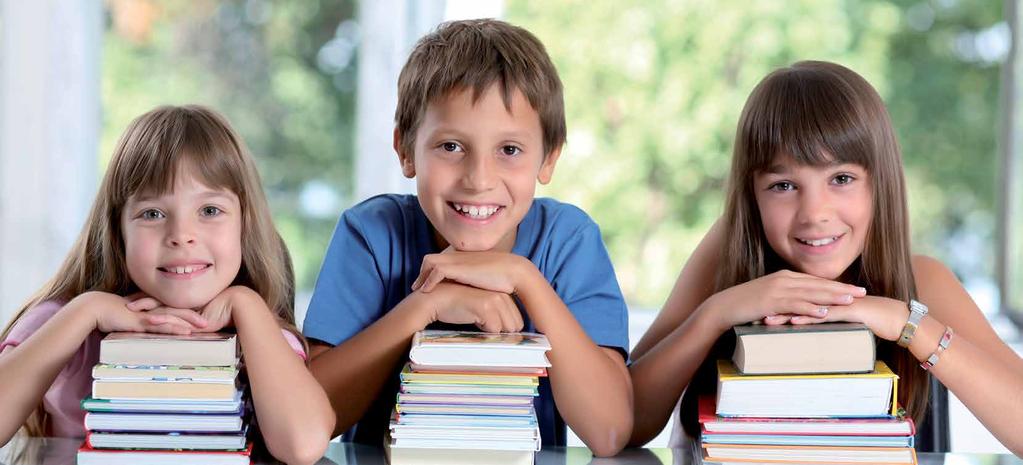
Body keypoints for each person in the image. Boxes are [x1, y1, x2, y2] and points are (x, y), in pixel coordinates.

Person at [627, 61, 1023, 456]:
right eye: (783, 185)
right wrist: (716, 313)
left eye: (841, 179)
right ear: (752, 197)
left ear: (879, 184)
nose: (814, 213)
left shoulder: (923, 280)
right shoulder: (727, 253)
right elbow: (626, 420)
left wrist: (906, 323)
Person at [304, 19, 632, 456]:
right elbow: (311, 417)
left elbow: (610, 431)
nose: (479, 180)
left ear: (548, 159)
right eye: (451, 147)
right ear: (405, 150)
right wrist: (425, 306)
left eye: (509, 150)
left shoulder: (567, 241)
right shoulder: (372, 234)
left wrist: (525, 278)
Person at [0, 105, 335, 464]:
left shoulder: (259, 334)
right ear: (118, 231)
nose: (181, 236)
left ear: (244, 225)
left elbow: (303, 446)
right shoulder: (64, 321)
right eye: (152, 214)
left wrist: (247, 304)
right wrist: (87, 310)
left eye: (209, 210)